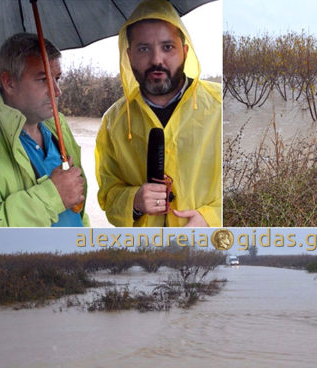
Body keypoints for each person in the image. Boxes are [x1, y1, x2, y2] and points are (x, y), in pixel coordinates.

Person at [95, 0, 222, 227]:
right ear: (129, 55)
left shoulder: (221, 105)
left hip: (209, 250)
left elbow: (250, 186)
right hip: (145, 253)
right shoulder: (113, 122)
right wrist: (133, 201)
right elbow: (108, 196)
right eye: (144, 49)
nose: (156, 60)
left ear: (184, 51)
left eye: (167, 47)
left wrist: (211, 218)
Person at [0, 33, 88, 227]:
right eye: (43, 79)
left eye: (58, 78)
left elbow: (79, 211)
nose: (57, 91)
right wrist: (52, 196)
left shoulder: (58, 125)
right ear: (9, 82)